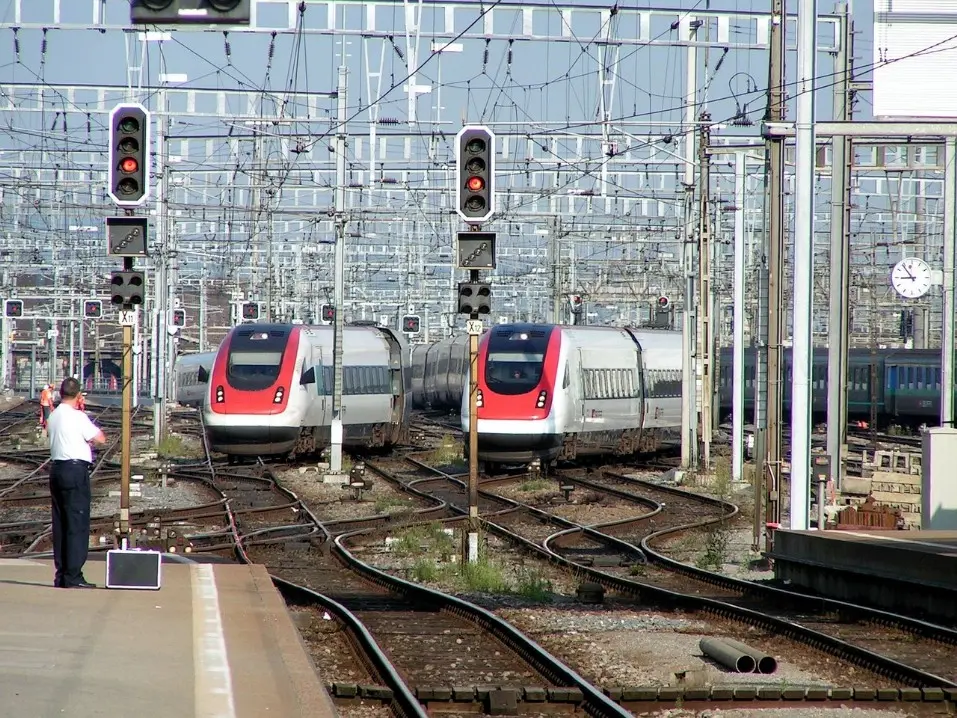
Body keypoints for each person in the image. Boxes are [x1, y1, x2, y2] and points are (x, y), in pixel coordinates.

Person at [46, 376, 107, 589]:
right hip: (74, 471)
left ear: (60, 394)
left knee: (60, 523)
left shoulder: (53, 416)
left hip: (56, 470)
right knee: (76, 524)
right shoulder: (78, 416)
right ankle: (73, 576)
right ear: (79, 395)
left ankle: (61, 574)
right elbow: (100, 438)